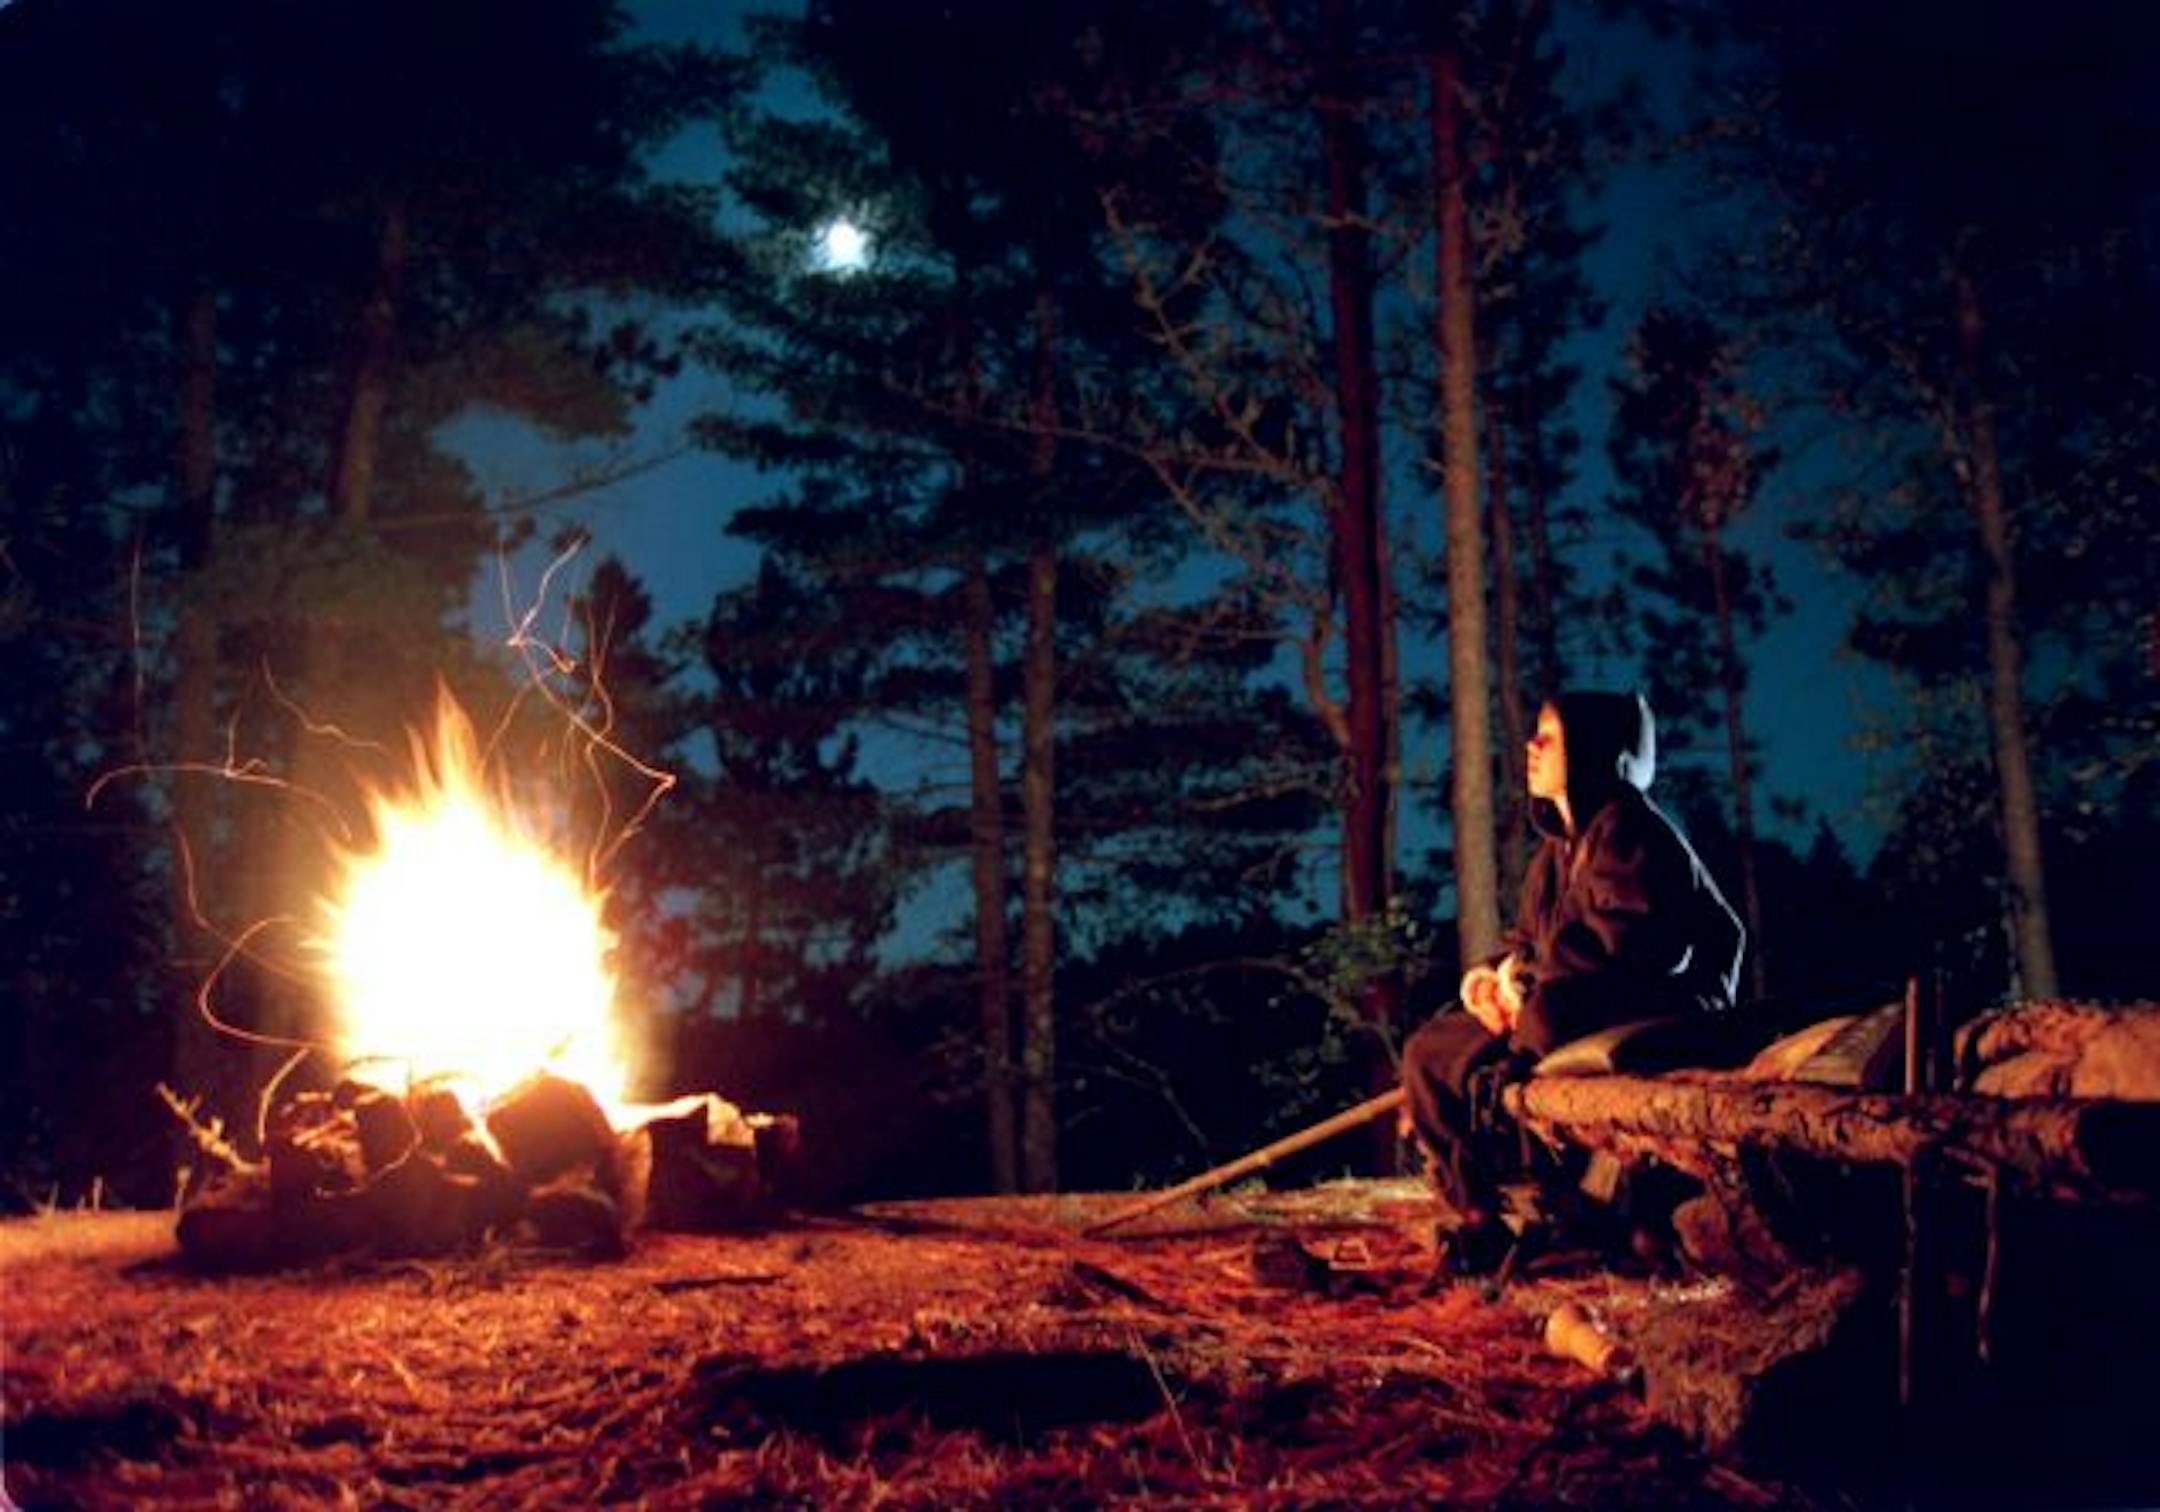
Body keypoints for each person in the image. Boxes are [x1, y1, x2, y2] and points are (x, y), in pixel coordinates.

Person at [1401, 689, 1745, 1274]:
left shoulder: (1629, 832)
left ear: (1593, 752)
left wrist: (1525, 984)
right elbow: (1528, 942)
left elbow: (1620, 944)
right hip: (1567, 998)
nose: (1533, 746)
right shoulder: (1557, 851)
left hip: (1657, 1002)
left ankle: (1573, 1201)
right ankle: (1481, 1218)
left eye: (1551, 737)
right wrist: (1492, 978)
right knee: (1430, 1050)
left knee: (1546, 1015)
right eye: (1535, 732)